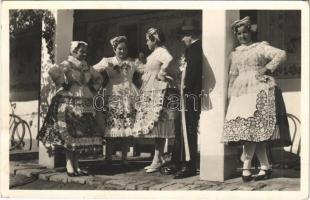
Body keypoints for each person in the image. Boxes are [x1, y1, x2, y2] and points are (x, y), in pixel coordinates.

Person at [223, 16, 292, 182]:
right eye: (239, 34)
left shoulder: (260, 47)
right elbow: (232, 77)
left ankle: (246, 167)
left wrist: (266, 68)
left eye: (245, 32)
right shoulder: (235, 54)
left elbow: (281, 54)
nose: (242, 36)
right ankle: (265, 167)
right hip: (241, 95)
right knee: (252, 132)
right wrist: (230, 98)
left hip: (259, 91)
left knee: (255, 131)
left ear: (250, 32)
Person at [38, 41, 103, 176]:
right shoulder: (68, 64)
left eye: (85, 51)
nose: (84, 53)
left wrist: (92, 88)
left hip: (85, 99)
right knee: (71, 131)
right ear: (74, 52)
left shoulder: (87, 66)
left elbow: (99, 78)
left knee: (80, 132)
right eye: (81, 51)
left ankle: (77, 164)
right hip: (70, 98)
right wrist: (63, 83)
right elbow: (53, 70)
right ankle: (69, 164)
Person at [132, 27, 180, 173]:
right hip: (152, 90)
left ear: (154, 39)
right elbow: (149, 70)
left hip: (160, 91)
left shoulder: (162, 52)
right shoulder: (154, 53)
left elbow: (169, 60)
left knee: (160, 125)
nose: (146, 42)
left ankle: (158, 159)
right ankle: (157, 158)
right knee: (156, 125)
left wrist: (162, 73)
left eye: (148, 39)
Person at [160, 19, 203, 179]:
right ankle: (178, 161)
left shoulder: (195, 49)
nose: (182, 39)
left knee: (189, 131)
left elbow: (192, 75)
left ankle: (189, 165)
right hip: (185, 95)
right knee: (181, 130)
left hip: (190, 96)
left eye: (183, 36)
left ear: (189, 35)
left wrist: (183, 87)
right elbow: (185, 73)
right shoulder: (191, 49)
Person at [93, 36, 139, 167]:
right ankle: (108, 157)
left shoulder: (132, 62)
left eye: (124, 49)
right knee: (112, 125)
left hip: (129, 95)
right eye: (119, 49)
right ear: (114, 49)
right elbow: (92, 69)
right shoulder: (108, 61)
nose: (122, 51)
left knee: (126, 127)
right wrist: (98, 81)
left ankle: (124, 158)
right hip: (113, 95)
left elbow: (146, 69)